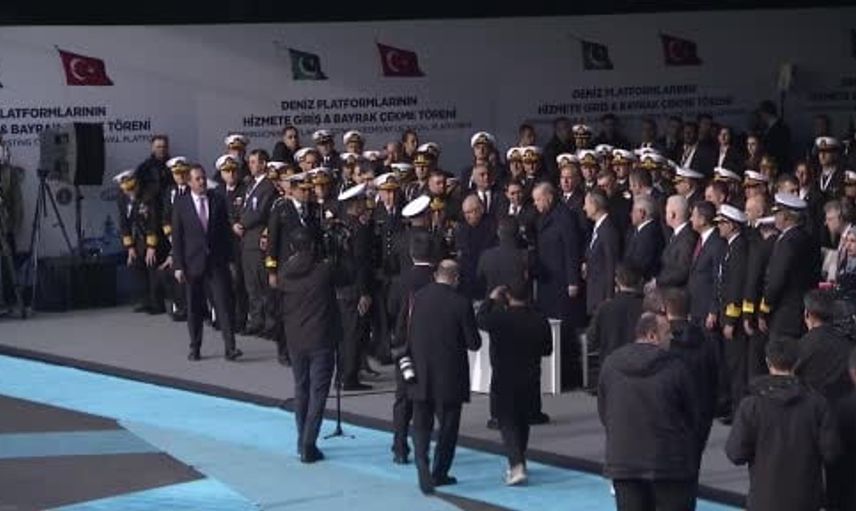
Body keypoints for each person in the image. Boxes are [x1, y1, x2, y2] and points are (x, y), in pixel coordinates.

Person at [598, 312, 700, 511]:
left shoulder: (610, 365)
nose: (671, 337)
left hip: (624, 462)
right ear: (652, 335)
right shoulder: (676, 368)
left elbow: (605, 411)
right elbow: (693, 414)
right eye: (667, 332)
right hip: (669, 463)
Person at [726, 336, 841, 511]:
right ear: (798, 362)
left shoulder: (752, 405)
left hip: (763, 500)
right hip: (806, 500)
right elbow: (831, 452)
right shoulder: (817, 404)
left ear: (768, 362)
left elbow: (736, 454)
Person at [406, 260, 481, 494]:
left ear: (436, 275)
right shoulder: (461, 302)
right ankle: (440, 472)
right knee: (448, 427)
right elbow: (474, 343)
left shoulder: (418, 297)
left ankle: (421, 461)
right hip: (450, 372)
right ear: (456, 278)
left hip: (420, 369)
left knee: (421, 422)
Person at [476, 281, 552, 486]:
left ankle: (516, 464)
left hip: (504, 376)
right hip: (530, 376)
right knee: (523, 421)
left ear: (507, 297)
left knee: (507, 422)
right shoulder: (539, 319)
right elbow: (547, 350)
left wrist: (490, 300)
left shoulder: (499, 317)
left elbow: (480, 320)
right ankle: (519, 459)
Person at [279, 226, 342, 463]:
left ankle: (301, 440)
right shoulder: (323, 271)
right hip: (321, 339)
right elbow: (346, 275)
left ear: (292, 248)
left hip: (295, 338)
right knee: (318, 392)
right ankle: (308, 443)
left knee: (301, 388)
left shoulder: (285, 273)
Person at [171, 165, 241, 361]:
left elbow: (225, 233)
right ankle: (195, 347)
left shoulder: (217, 200)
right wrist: (178, 266)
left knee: (223, 304)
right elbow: (177, 237)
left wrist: (230, 260)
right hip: (192, 263)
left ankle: (230, 347)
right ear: (189, 182)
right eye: (197, 179)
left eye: (203, 178)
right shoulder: (181, 204)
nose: (202, 182)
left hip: (216, 262)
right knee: (194, 308)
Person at [387, 230, 436, 465]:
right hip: (431, 346)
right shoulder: (437, 279)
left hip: (404, 345)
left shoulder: (400, 280)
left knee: (403, 396)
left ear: (411, 253)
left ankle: (399, 446)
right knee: (426, 399)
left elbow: (391, 308)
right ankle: (422, 449)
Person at [532, 182, 584, 389]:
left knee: (564, 329)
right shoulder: (543, 218)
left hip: (561, 282)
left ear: (549, 197)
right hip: (547, 281)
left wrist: (573, 281)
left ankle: (568, 376)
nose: (536, 204)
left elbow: (571, 249)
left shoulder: (564, 217)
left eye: (538, 199)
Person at [760, 193, 819, 338]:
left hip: (784, 313)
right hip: (803, 310)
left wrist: (765, 308)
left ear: (785, 216)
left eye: (777, 213)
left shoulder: (787, 241)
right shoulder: (807, 238)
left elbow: (776, 279)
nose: (775, 217)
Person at [234, 149, 277, 336]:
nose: (250, 165)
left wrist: (242, 223)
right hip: (247, 241)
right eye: (250, 162)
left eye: (253, 162)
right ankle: (256, 320)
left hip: (257, 238)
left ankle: (269, 323)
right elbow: (242, 207)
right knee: (251, 284)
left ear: (263, 164)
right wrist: (236, 222)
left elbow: (259, 212)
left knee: (262, 283)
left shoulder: (267, 187)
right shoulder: (250, 185)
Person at [713, 204, 749, 420]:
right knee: (729, 364)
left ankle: (738, 412)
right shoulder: (729, 247)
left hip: (732, 318)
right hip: (724, 312)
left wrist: (730, 319)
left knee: (737, 367)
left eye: (722, 223)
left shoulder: (739, 249)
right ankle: (732, 408)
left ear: (733, 225)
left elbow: (736, 287)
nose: (719, 227)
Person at [115, 169, 167, 315]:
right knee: (137, 267)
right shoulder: (123, 198)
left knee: (152, 267)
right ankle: (145, 300)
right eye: (126, 190)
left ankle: (157, 303)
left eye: (132, 188)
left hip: (153, 236)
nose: (130, 192)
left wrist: (151, 246)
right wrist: (130, 247)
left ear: (137, 184)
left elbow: (153, 221)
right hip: (137, 237)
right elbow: (123, 223)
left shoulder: (148, 196)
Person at [587, 264, 644, 370]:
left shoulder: (604, 308)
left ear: (617, 280)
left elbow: (591, 341)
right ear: (641, 281)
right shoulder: (645, 308)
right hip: (639, 368)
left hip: (610, 368)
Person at [687, 201, 726, 326]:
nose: (690, 219)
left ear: (702, 220)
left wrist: (713, 310)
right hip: (696, 309)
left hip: (707, 312)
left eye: (693, 216)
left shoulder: (717, 243)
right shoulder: (701, 240)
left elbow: (718, 278)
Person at [583, 188, 620, 315]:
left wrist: (609, 296)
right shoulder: (598, 228)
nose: (584, 208)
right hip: (594, 290)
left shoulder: (608, 230)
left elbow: (611, 263)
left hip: (602, 294)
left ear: (595, 206)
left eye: (586, 204)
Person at [455, 195, 497, 300]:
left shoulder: (493, 226)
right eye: (465, 213)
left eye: (470, 212)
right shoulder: (462, 228)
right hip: (467, 282)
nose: (467, 216)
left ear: (481, 210)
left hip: (487, 281)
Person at [657, 195, 698, 289]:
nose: (665, 215)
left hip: (676, 292)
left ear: (672, 214)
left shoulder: (687, 238)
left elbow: (682, 271)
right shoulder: (677, 234)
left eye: (666, 212)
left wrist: (657, 281)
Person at [623, 195, 664, 282]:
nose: (630, 214)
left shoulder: (650, 233)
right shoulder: (639, 230)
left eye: (633, 211)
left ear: (641, 213)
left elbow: (640, 263)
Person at [134, 134, 171, 203]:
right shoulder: (144, 168)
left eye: (164, 147)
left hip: (170, 205)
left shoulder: (174, 167)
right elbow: (137, 189)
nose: (162, 149)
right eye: (158, 147)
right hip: (151, 205)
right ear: (152, 148)